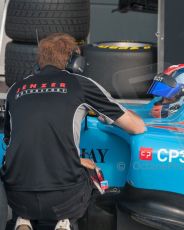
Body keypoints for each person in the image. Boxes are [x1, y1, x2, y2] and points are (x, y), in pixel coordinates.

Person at [0, 33, 145, 230]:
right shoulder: (80, 84)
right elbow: (137, 127)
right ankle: (65, 222)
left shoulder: (15, 89)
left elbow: (14, 144)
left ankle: (23, 220)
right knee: (94, 172)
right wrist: (78, 161)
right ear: (75, 62)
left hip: (18, 195)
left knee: (27, 181)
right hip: (63, 197)